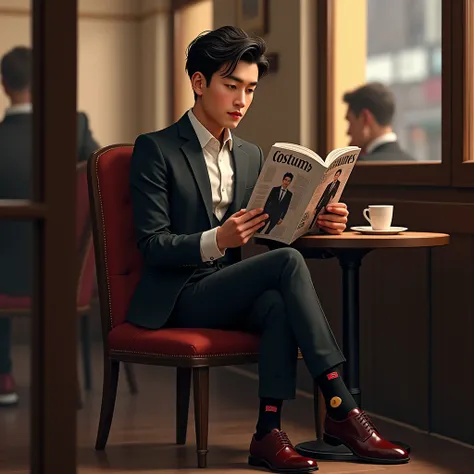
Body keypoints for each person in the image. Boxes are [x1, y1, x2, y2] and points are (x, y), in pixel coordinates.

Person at [127, 26, 409, 472]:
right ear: (199, 83)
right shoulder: (155, 149)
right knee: (286, 266)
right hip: (179, 295)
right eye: (231, 86)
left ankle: (268, 432)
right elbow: (152, 245)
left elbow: (269, 231)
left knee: (278, 302)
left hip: (225, 288)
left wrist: (316, 222)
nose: (242, 100)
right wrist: (217, 239)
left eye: (251, 88)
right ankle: (342, 405)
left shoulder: (251, 155)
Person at [0, 46, 100, 407]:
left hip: (5, 279)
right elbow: (101, 177)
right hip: (65, 276)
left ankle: (3, 375)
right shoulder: (73, 127)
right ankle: (59, 372)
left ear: (4, 84)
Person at [343, 82, 416, 161]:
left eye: (350, 122)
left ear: (365, 118)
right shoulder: (415, 164)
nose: (348, 132)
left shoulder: (360, 166)